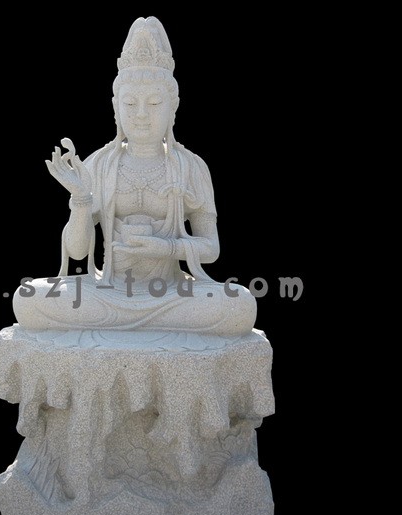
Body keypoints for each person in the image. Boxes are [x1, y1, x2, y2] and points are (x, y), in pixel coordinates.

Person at [13, 17, 256, 337]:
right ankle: (145, 327)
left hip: (171, 291)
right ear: (116, 107)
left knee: (239, 306)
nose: (141, 114)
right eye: (130, 103)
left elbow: (211, 248)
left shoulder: (191, 167)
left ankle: (126, 328)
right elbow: (77, 251)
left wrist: (165, 248)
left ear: (173, 106)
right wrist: (81, 200)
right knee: (28, 298)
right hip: (109, 289)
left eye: (154, 103)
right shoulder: (99, 165)